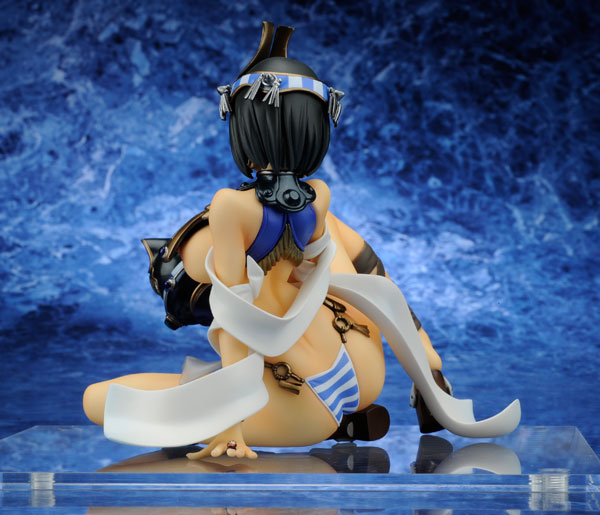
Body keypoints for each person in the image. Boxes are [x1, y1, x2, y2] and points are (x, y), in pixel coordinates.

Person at [83, 22, 520, 460]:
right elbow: (370, 274)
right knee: (332, 268)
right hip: (363, 362)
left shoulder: (230, 207)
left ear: (244, 132)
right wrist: (426, 360)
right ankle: (381, 396)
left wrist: (230, 419)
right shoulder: (320, 197)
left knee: (99, 399)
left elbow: (235, 317)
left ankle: (272, 413)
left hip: (305, 401)